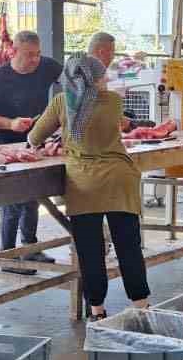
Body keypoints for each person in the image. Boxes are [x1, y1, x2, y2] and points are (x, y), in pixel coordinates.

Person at [28, 52, 150, 320]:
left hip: (84, 183)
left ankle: (97, 310)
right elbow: (109, 122)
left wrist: (61, 137)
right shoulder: (115, 101)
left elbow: (35, 137)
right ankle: (141, 306)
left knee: (90, 251)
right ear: (97, 76)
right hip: (120, 179)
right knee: (128, 246)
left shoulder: (62, 102)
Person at [0, 31, 62, 261]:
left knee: (32, 197)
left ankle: (30, 247)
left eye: (37, 54)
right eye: (29, 55)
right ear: (13, 52)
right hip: (4, 145)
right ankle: (8, 254)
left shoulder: (48, 66)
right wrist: (10, 123)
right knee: (12, 200)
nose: (35, 60)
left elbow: (70, 79)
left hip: (33, 142)